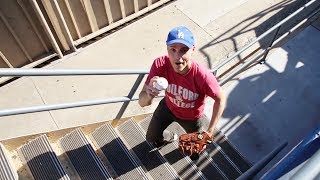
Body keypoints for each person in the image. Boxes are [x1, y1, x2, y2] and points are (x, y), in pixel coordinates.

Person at [138, 26, 226, 158]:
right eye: (173, 50)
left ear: (193, 50)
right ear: (167, 49)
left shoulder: (203, 76)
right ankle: (169, 137)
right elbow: (142, 103)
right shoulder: (160, 64)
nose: (177, 57)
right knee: (151, 138)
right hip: (167, 108)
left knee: (193, 151)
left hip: (191, 117)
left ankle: (192, 153)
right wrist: (149, 94)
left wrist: (210, 131)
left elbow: (221, 99)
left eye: (183, 50)